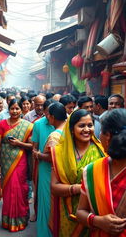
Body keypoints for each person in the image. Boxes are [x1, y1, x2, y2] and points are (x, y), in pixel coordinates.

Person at [76, 109, 126, 236]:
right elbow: (80, 212)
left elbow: (80, 212)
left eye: (101, 132)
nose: (98, 136)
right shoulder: (92, 170)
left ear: (108, 137)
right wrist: (98, 221)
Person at [50, 109, 106, 236]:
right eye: (81, 125)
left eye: (90, 125)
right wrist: (78, 188)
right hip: (67, 212)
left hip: (94, 213)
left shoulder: (101, 151)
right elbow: (54, 187)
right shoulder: (59, 153)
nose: (87, 129)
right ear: (71, 129)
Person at [0, 99, 33, 232]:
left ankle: (20, 220)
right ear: (8, 110)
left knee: (19, 189)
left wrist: (19, 144)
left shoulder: (28, 126)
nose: (15, 111)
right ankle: (8, 220)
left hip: (20, 161)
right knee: (8, 191)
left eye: (17, 109)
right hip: (5, 162)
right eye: (12, 108)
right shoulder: (2, 124)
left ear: (22, 110)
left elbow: (31, 146)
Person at [32, 102, 67, 237]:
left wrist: (38, 155)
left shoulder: (55, 135)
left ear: (52, 117)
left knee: (47, 205)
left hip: (49, 172)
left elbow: (51, 157)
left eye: (48, 115)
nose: (46, 117)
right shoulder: (70, 129)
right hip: (63, 172)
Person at [31, 99, 55, 230]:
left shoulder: (65, 123)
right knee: (45, 199)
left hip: (60, 168)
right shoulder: (38, 124)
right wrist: (39, 155)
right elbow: (34, 147)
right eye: (48, 112)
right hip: (44, 167)